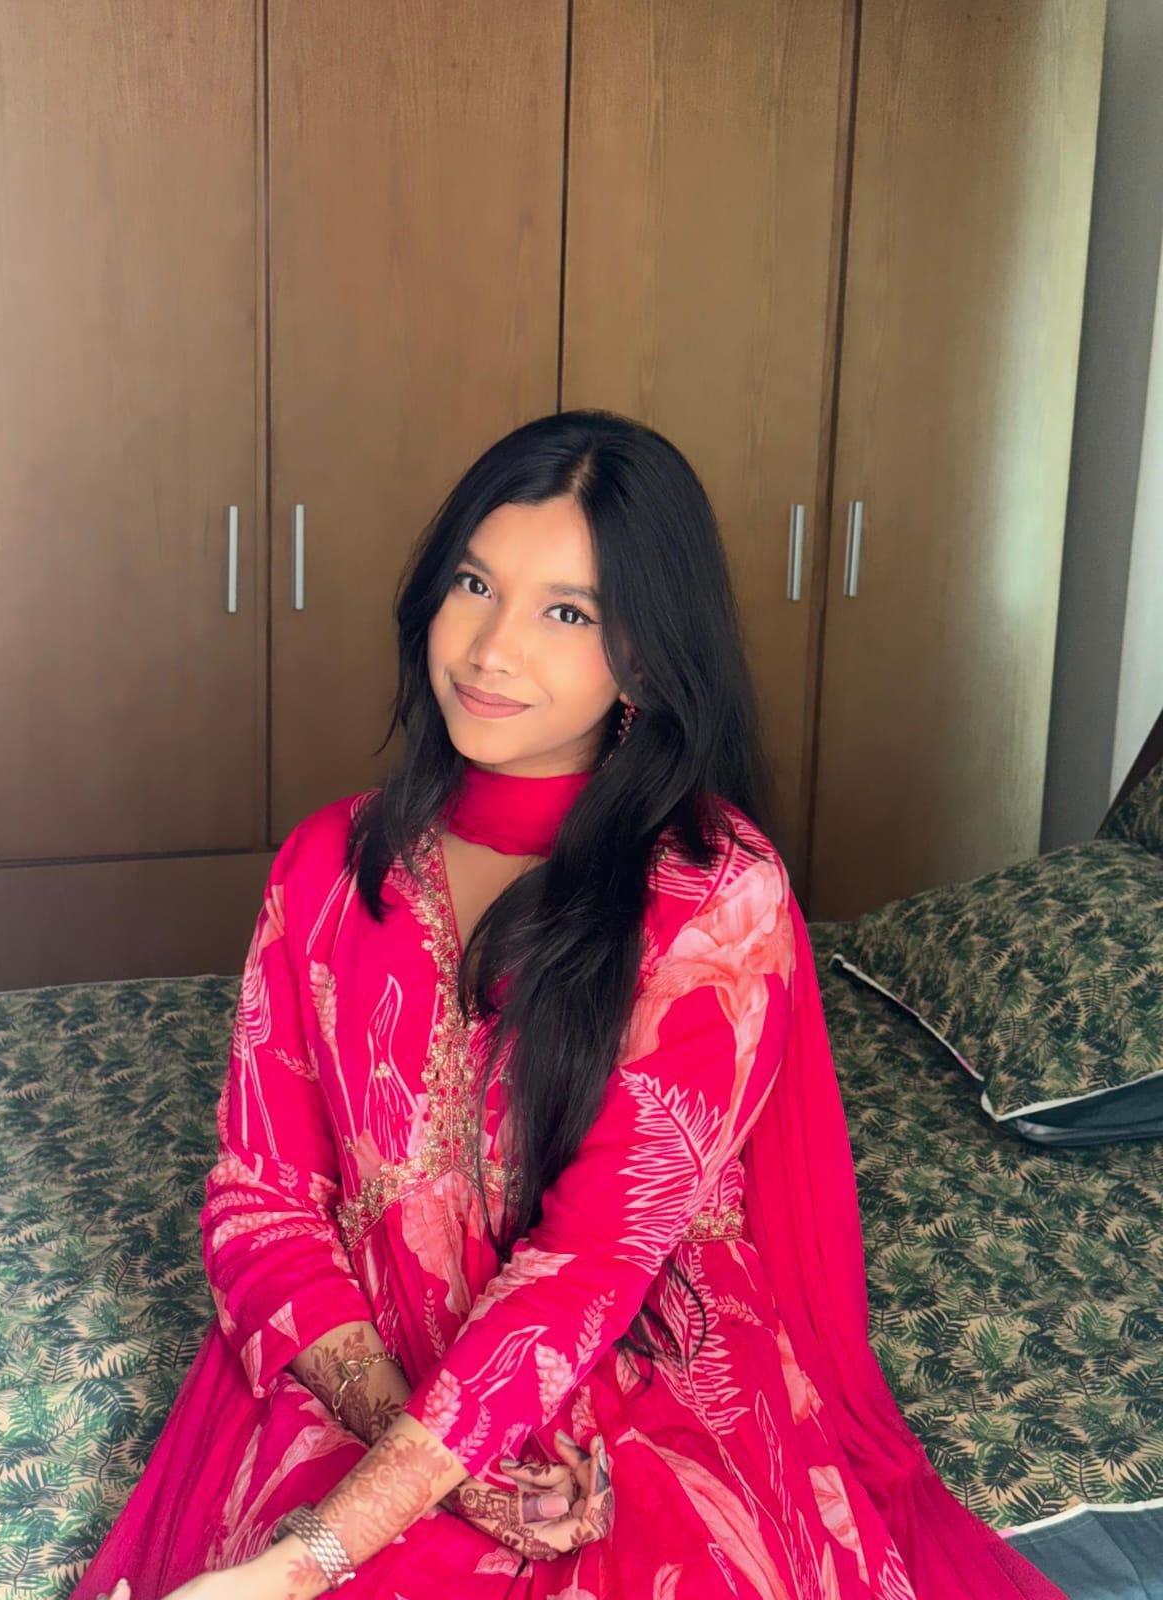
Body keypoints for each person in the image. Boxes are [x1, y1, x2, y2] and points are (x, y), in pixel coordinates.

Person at [74, 411, 1069, 1599]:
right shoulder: (327, 866)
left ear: (645, 659)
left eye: (567, 613)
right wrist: (414, 1459)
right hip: (355, 1353)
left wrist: (306, 1562)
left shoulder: (713, 899)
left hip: (626, 1354)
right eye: (474, 584)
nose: (490, 649)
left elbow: (594, 1261)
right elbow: (262, 1201)